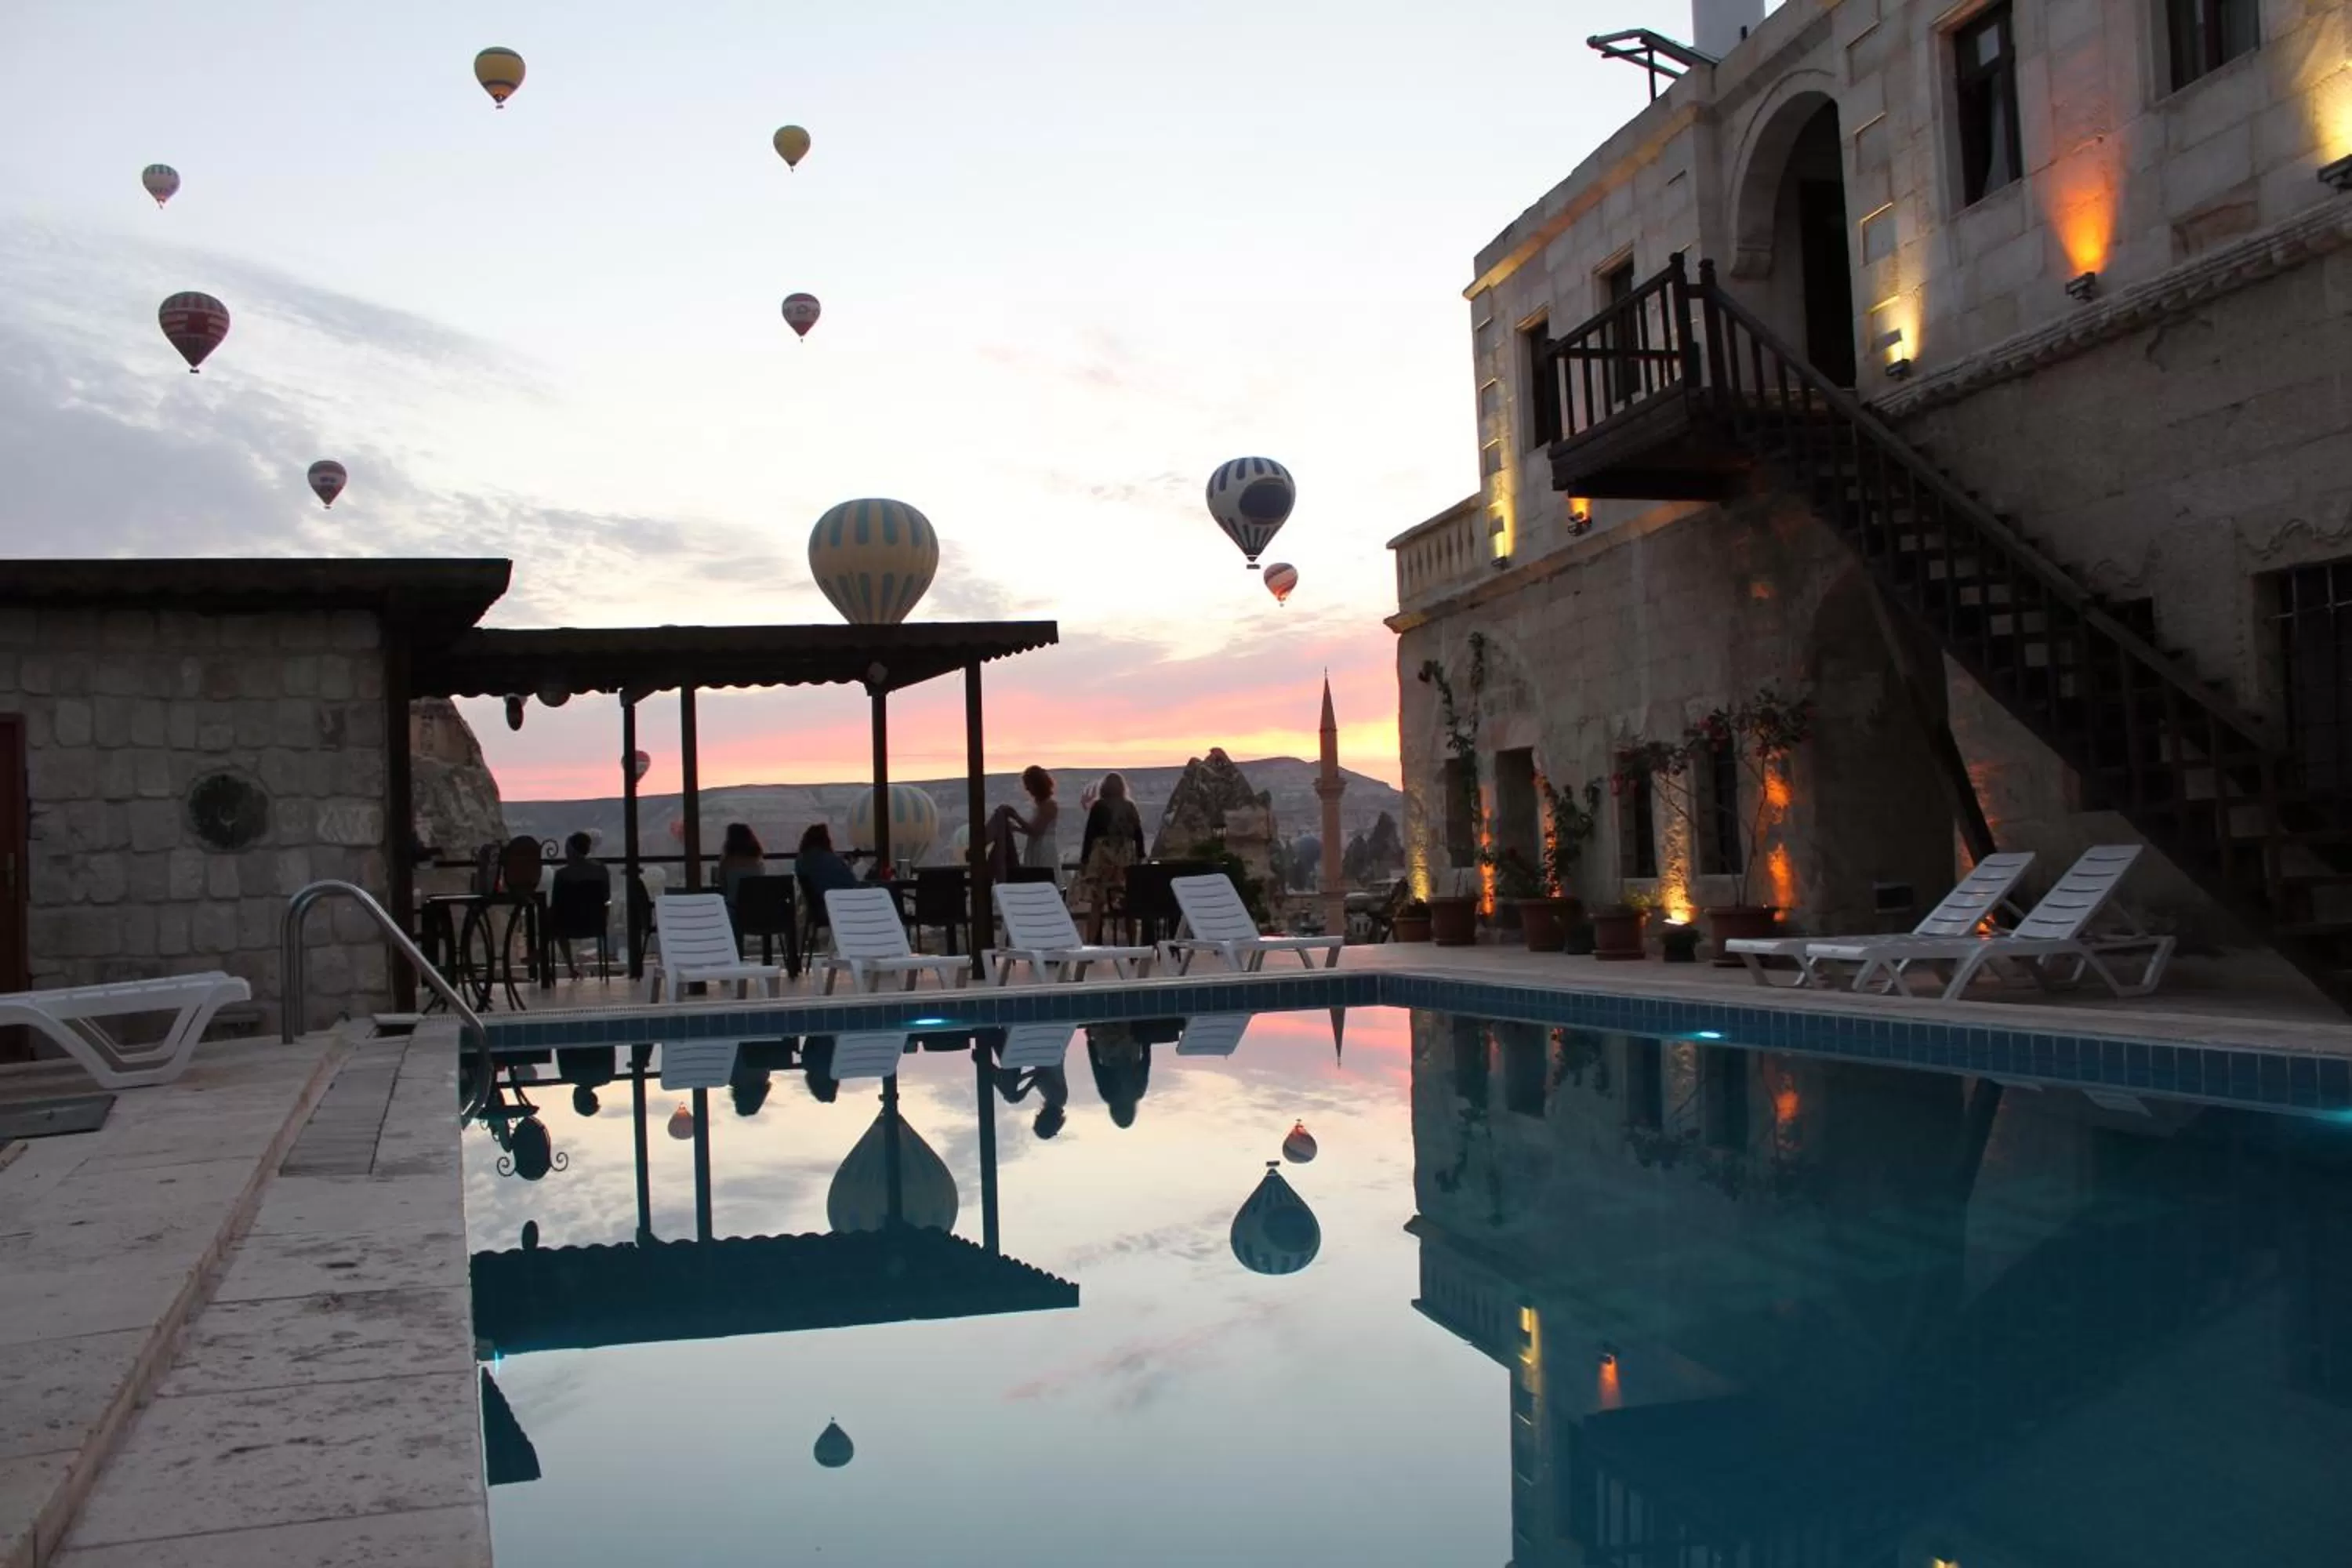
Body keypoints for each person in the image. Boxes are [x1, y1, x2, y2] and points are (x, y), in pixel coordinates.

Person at [1073, 771, 1147, 942]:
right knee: (1128, 905)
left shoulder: (1099, 807)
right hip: (1125, 858)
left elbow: (1089, 834)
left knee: (1096, 905)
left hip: (1102, 859)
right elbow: (1139, 834)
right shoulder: (1130, 807)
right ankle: (1133, 948)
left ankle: (1091, 945)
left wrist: (1085, 860)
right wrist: (1140, 857)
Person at [996, 765, 1060, 874]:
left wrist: (1015, 816)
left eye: (1028, 784)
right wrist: (1016, 828)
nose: (1027, 788)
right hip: (1037, 846)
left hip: (1043, 848)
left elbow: (1035, 831)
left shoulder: (1049, 805)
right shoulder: (1042, 805)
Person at [717, 823, 765, 906]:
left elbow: (723, 885)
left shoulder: (727, 861)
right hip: (755, 907)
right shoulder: (758, 861)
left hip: (733, 907)